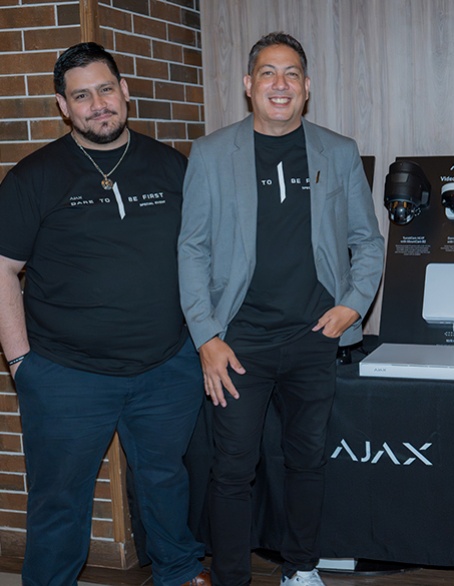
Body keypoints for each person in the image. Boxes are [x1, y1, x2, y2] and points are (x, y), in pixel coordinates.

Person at [177, 32, 385, 586]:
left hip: (314, 337)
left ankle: (301, 568)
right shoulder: (211, 153)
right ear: (249, 84)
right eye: (268, 72)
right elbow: (192, 249)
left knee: (307, 461)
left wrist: (352, 305)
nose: (280, 84)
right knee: (232, 470)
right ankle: (232, 577)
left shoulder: (338, 152)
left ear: (307, 86)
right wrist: (206, 337)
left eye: (291, 73)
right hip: (237, 342)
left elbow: (367, 242)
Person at [0, 43, 210, 586]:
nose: (98, 104)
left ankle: (180, 572)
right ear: (63, 106)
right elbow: (3, 269)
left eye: (106, 89)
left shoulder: (172, 167)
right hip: (66, 375)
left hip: (166, 369)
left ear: (125, 92)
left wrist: (200, 344)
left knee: (166, 483)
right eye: (81, 96)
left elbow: (203, 257)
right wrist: (22, 363)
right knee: (59, 499)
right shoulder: (33, 177)